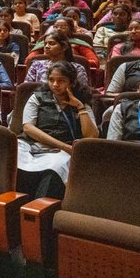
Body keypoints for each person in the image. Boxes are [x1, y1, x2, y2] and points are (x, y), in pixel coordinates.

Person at [16, 61, 98, 200]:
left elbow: (91, 135)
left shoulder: (81, 102)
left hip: (60, 153)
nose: (55, 84)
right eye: (51, 80)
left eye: (61, 81)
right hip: (33, 144)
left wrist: (79, 106)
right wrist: (63, 146)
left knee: (56, 167)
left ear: (71, 83)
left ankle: (39, 209)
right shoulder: (38, 97)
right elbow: (28, 128)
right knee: (14, 157)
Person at [23, 32, 90, 87]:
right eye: (45, 44)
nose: (46, 46)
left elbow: (82, 92)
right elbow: (27, 89)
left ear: (64, 47)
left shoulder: (77, 68)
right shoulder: (37, 65)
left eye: (52, 43)